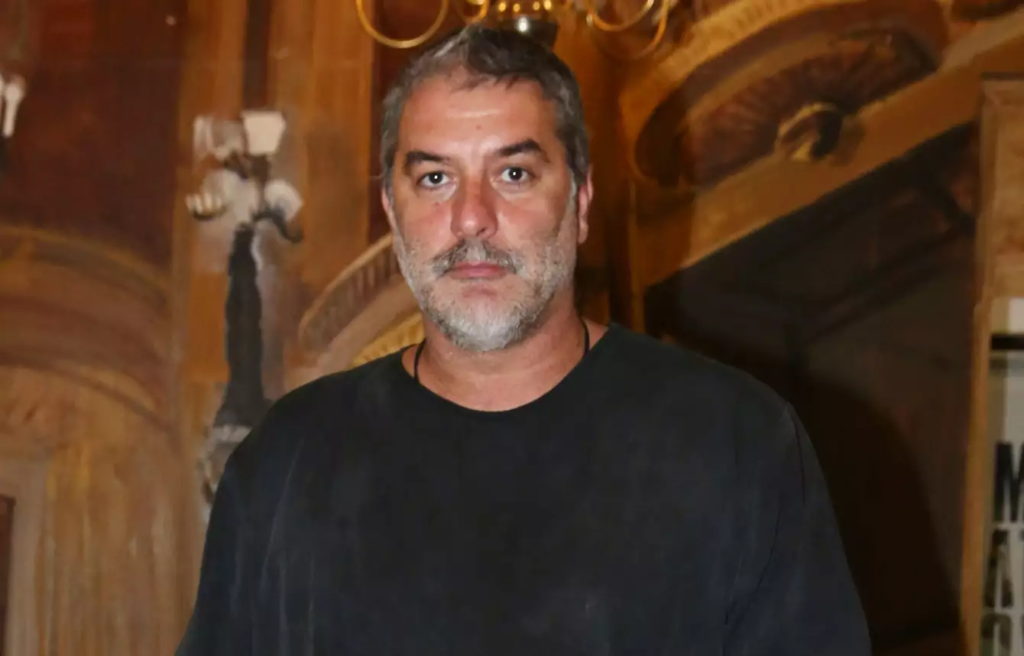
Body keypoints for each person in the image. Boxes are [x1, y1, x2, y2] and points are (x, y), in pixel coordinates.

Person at [176, 25, 871, 656]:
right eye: (435, 178)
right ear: (393, 211)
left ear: (580, 202)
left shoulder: (736, 440)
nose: (471, 218)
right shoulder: (288, 462)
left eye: (513, 174)